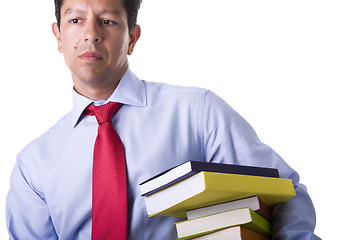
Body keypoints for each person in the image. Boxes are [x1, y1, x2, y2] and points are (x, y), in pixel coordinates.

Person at [6, 0, 321, 239]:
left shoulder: (197, 112)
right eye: (76, 20)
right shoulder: (33, 165)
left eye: (107, 21)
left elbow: (284, 193)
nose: (91, 35)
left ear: (132, 37)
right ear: (58, 36)